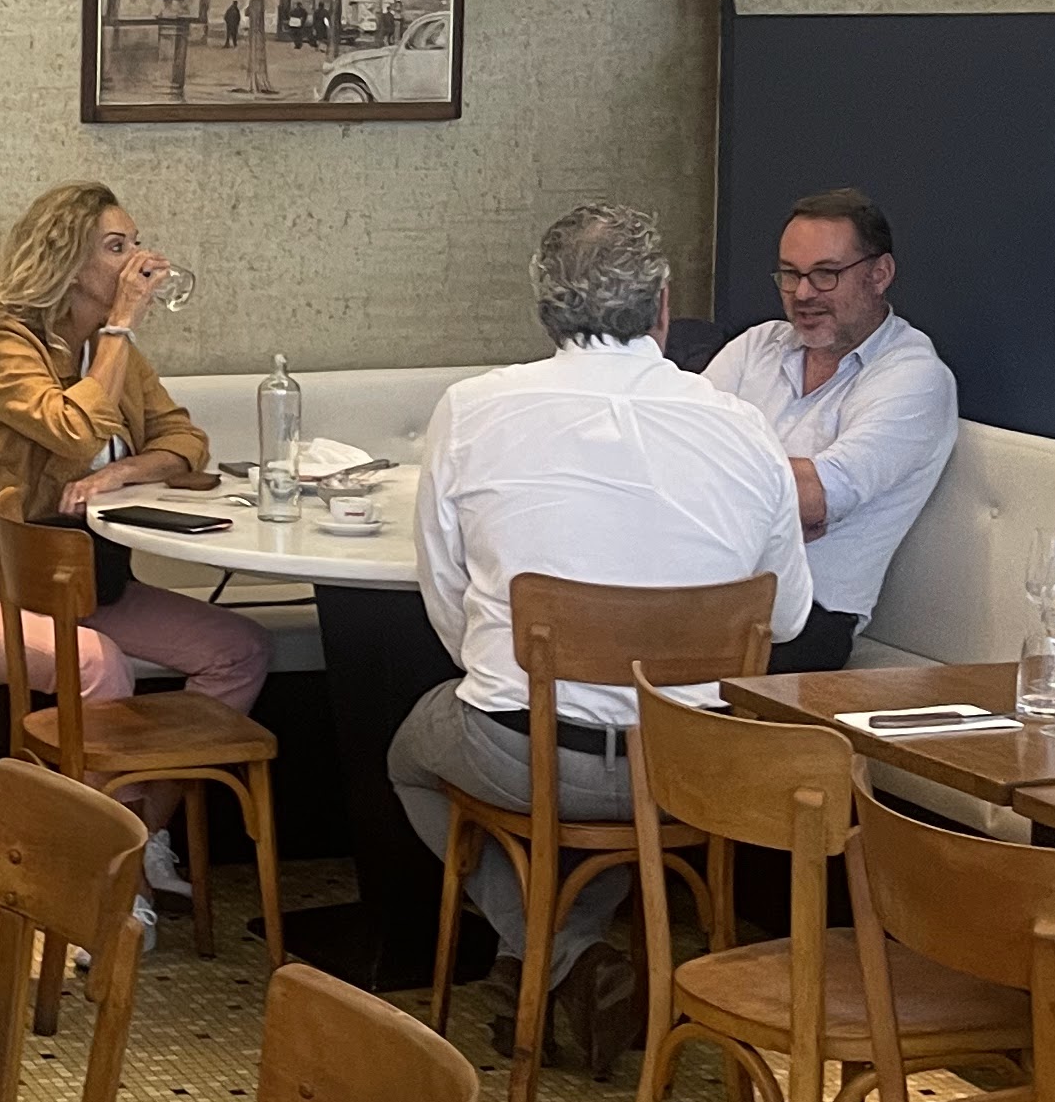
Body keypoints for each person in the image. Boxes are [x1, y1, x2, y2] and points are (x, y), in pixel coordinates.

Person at [390, 205, 809, 1048]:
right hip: (691, 762)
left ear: (545, 307)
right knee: (613, 808)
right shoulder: (743, 427)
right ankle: (571, 965)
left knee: (411, 758)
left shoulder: (472, 409)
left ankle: (559, 957)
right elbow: (788, 615)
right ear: (663, 305)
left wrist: (506, 673)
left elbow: (447, 592)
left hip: (525, 750)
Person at [0, 184, 268, 929]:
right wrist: (119, 330)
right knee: (98, 663)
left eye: (136, 243)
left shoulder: (118, 353)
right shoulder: (1, 343)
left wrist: (124, 472)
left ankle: (138, 836)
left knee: (238, 650)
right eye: (116, 247)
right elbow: (72, 431)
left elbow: (187, 441)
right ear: (69, 261)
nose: (139, 261)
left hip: (85, 588)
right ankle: (103, 885)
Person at [702, 191, 957, 674]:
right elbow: (673, 452)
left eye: (825, 274)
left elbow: (815, 498)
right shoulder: (757, 346)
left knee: (610, 649)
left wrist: (721, 483)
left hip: (808, 620)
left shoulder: (913, 377)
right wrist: (779, 510)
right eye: (790, 274)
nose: (802, 294)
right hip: (711, 586)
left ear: (879, 274)